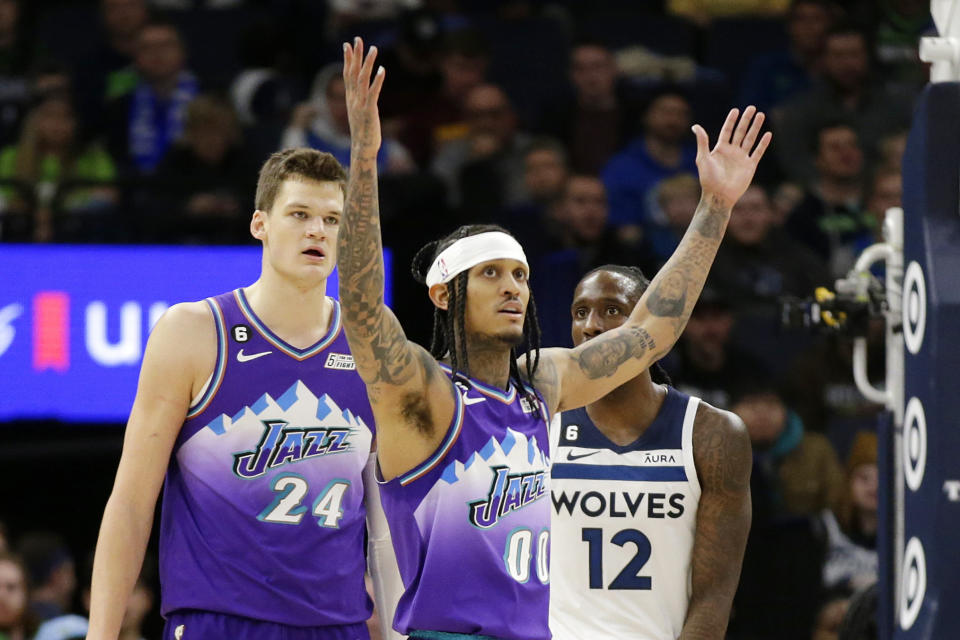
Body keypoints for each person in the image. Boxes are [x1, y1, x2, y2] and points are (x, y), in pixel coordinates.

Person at [337, 37, 771, 639]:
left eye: (520, 274)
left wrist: (715, 208)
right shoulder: (422, 394)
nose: (513, 287)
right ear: (443, 295)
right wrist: (363, 160)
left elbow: (651, 331)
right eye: (490, 274)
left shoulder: (541, 387)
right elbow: (360, 310)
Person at [87, 148, 380, 640]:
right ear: (260, 224)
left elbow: (385, 518)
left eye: (332, 219)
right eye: (300, 214)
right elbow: (132, 503)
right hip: (218, 621)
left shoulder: (372, 344)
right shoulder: (193, 331)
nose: (317, 231)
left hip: (336, 624)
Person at [549, 265, 751, 640]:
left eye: (612, 310)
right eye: (580, 312)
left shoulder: (712, 434)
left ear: (653, 326)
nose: (591, 325)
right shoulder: (539, 426)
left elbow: (713, 599)